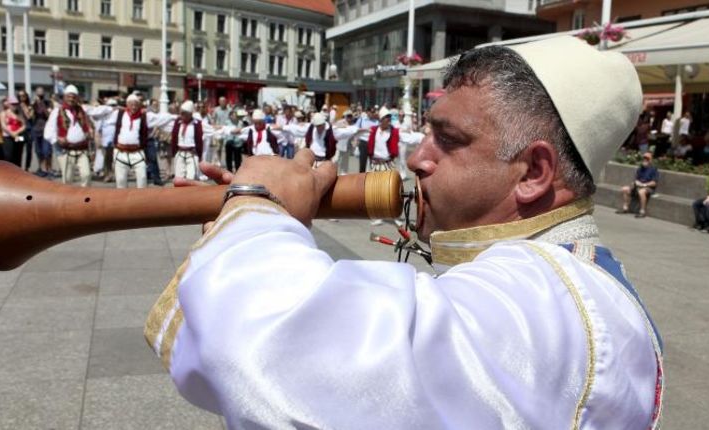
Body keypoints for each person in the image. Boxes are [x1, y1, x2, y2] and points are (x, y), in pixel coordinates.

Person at [144, 36, 662, 428]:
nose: (417, 159)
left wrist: (257, 207)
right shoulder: (572, 278)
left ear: (533, 173)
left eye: (448, 140)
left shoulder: (545, 298)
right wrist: (252, 221)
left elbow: (278, 348)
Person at [44, 85, 94, 186]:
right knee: (67, 178)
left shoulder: (82, 110)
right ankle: (67, 195)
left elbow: (97, 110)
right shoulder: (57, 111)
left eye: (74, 97)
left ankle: (84, 194)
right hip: (65, 150)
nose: (71, 99)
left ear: (77, 98)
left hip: (82, 149)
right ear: (64, 97)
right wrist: (57, 139)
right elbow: (48, 132)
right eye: (69, 96)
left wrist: (116, 108)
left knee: (86, 174)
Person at [112, 95, 148, 188]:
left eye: (136, 105)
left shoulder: (143, 116)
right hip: (121, 151)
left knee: (142, 177)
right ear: (127, 105)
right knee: (120, 180)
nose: (134, 107)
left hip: (137, 152)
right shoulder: (120, 113)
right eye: (131, 105)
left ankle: (142, 197)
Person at [170, 101, 204, 181]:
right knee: (179, 178)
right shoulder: (178, 122)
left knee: (191, 177)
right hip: (180, 152)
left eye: (184, 113)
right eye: (181, 113)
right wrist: (174, 152)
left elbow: (199, 140)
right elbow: (174, 137)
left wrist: (199, 154)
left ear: (190, 114)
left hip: (192, 153)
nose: (181, 115)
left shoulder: (196, 123)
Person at [617, 152, 658, 218]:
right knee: (624, 189)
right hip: (638, 186)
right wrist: (635, 183)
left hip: (648, 188)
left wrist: (644, 185)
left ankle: (642, 211)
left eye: (647, 158)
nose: (645, 159)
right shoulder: (640, 169)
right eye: (644, 158)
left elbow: (654, 183)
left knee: (641, 192)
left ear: (650, 160)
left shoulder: (653, 169)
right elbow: (635, 179)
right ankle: (625, 208)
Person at [367, 107, 400, 172]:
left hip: (388, 164)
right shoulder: (373, 130)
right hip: (374, 164)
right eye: (387, 118)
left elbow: (409, 137)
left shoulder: (394, 131)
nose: (389, 120)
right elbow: (355, 131)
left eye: (390, 118)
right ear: (381, 120)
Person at [31, 87, 53, 177]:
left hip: (46, 130)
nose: (40, 95)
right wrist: (33, 105)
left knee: (47, 151)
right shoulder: (33, 104)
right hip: (36, 129)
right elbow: (30, 116)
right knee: (38, 151)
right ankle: (42, 168)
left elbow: (49, 115)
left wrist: (43, 105)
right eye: (38, 93)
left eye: (41, 93)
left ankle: (49, 169)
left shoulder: (48, 103)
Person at [0, 95, 26, 166]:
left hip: (18, 136)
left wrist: (17, 132)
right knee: (8, 155)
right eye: (13, 104)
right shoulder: (4, 113)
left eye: (16, 104)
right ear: (9, 104)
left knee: (18, 154)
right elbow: (3, 126)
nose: (14, 106)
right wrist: (11, 133)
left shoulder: (19, 113)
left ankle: (18, 170)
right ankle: (9, 170)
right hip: (7, 136)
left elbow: (24, 125)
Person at [355, 106, 378, 172]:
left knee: (373, 163)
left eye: (373, 112)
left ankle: (371, 177)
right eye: (371, 112)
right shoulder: (362, 119)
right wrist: (366, 129)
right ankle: (362, 176)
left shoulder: (376, 121)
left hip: (373, 143)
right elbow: (355, 129)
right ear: (367, 112)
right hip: (363, 142)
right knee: (362, 162)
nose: (372, 113)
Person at [17, 90, 35, 171]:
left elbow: (30, 117)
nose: (22, 97)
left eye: (24, 95)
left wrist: (29, 110)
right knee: (19, 148)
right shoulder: (17, 106)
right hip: (20, 131)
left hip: (29, 131)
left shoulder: (30, 106)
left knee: (29, 150)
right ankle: (18, 167)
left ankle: (27, 167)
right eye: (20, 96)